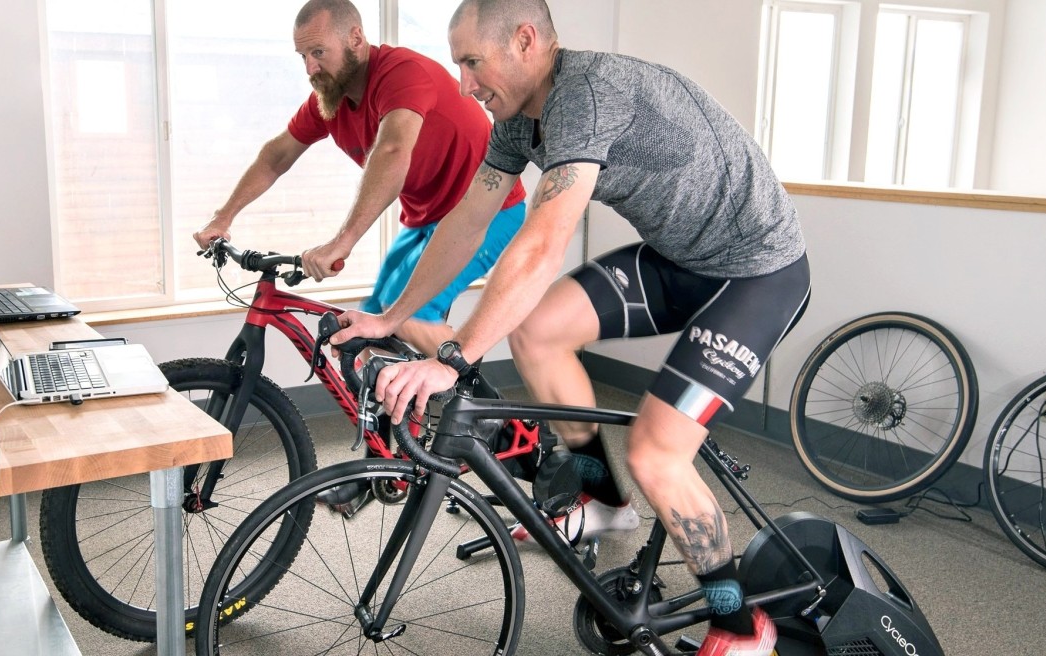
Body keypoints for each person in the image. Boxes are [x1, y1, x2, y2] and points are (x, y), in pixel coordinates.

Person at [332, 1, 811, 654]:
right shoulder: (516, 120)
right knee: (536, 331)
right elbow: (468, 218)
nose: (465, 84)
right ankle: (605, 499)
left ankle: (739, 625)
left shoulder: (585, 94)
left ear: (526, 41)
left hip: (757, 272)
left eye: (472, 63)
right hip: (680, 261)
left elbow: (542, 242)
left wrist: (457, 355)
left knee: (656, 452)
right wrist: (390, 315)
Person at [193, 0, 527, 356]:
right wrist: (224, 216)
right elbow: (277, 155)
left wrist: (342, 241)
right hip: (425, 219)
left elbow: (392, 150)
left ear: (355, 37)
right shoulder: (330, 99)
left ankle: (472, 406)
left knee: (408, 317)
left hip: (489, 212)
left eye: (318, 52)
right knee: (367, 322)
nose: (310, 67)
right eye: (302, 55)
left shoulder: (402, 73)